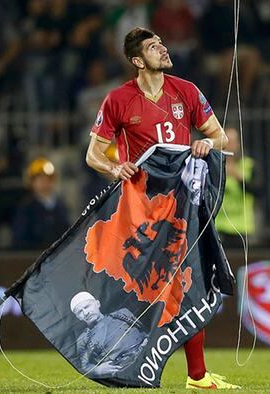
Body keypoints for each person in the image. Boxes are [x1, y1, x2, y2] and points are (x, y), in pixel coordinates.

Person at [84, 27, 238, 389]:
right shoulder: (118, 100)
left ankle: (196, 375)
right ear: (138, 61)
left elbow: (221, 136)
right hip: (140, 211)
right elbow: (93, 154)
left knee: (188, 284)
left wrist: (205, 143)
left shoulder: (186, 91)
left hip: (182, 204)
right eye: (154, 47)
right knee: (145, 292)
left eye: (163, 43)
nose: (164, 49)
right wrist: (114, 166)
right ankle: (119, 358)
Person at [70, 291, 149, 378]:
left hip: (148, 358)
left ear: (97, 304)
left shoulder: (122, 314)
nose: (85, 313)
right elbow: (84, 366)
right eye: (80, 312)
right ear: (78, 317)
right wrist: (97, 370)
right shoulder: (83, 339)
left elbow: (145, 332)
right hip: (125, 371)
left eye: (87, 307)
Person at [12, 157, 70, 249]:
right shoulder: (26, 207)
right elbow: (20, 237)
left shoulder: (60, 205)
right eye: (39, 178)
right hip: (33, 255)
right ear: (31, 182)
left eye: (47, 178)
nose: (43, 182)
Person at [215, 127, 257, 247]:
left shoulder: (248, 165)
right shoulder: (213, 166)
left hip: (240, 226)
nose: (229, 145)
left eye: (232, 142)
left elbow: (258, 191)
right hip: (218, 225)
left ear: (238, 144)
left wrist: (238, 177)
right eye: (226, 141)